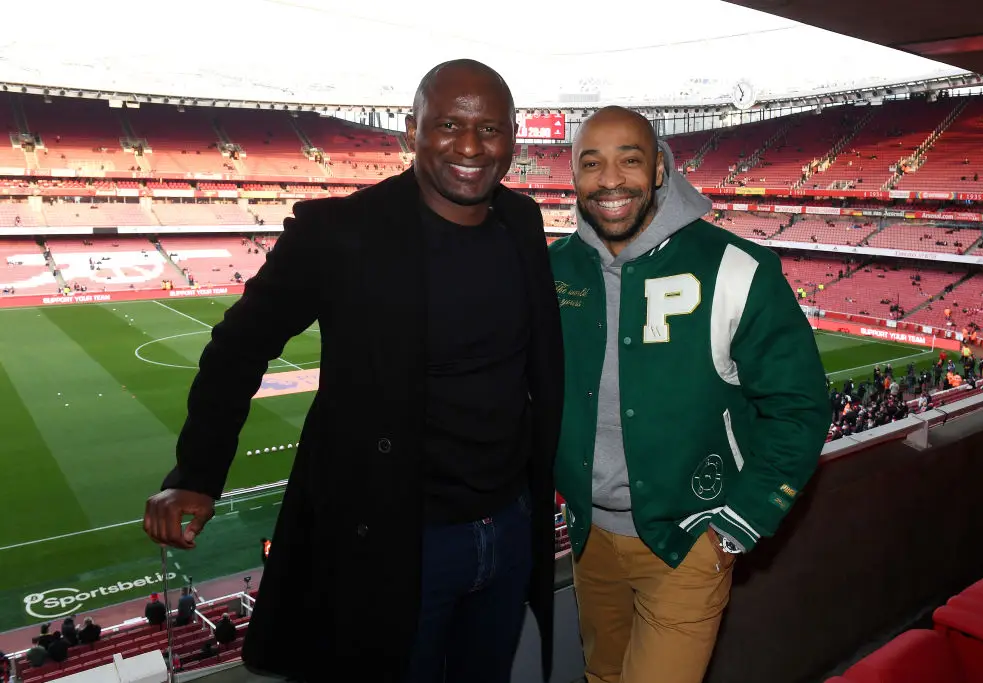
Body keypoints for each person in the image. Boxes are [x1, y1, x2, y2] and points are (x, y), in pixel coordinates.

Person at [143, 59, 564, 683]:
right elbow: (238, 346)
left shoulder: (523, 223)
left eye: (491, 129)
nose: (471, 147)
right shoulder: (340, 233)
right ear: (410, 128)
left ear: (512, 136)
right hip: (397, 542)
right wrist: (199, 472)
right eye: (449, 124)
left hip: (507, 528)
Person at [548, 107, 831, 683]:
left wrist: (739, 521)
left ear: (658, 168)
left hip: (686, 542)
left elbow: (799, 405)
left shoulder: (738, 267)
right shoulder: (550, 269)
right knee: (602, 676)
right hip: (588, 539)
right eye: (591, 162)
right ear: (573, 176)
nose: (609, 179)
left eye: (629, 159)